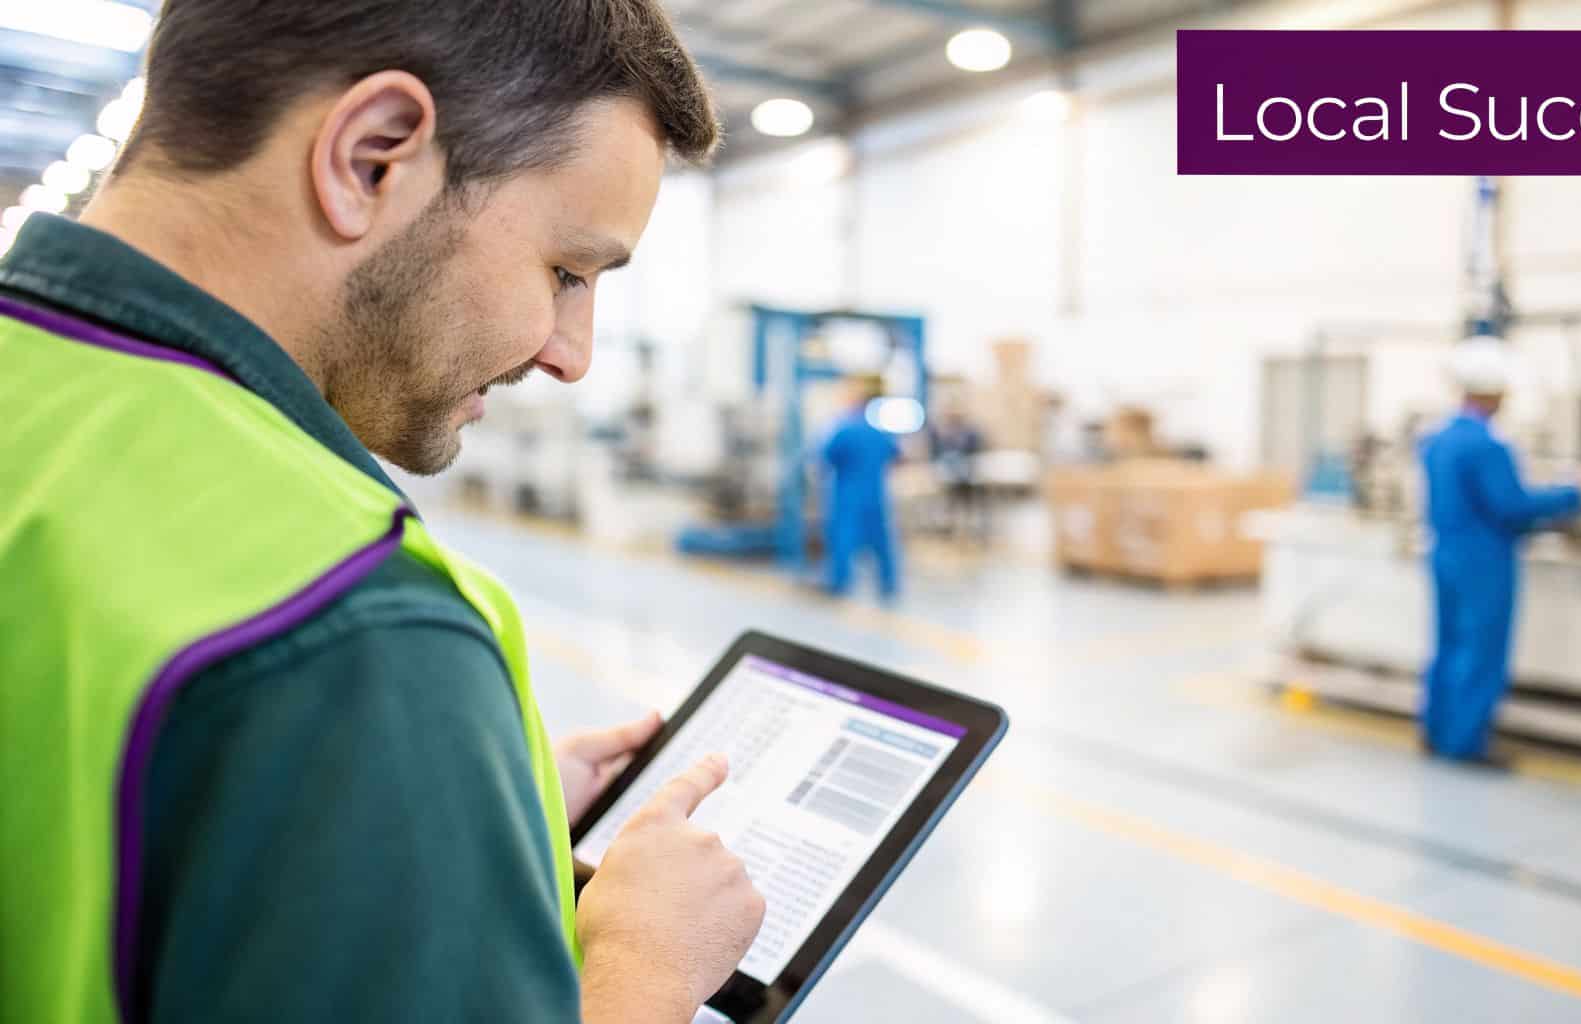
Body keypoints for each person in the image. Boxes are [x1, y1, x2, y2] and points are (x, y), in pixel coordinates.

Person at [0, 4, 766, 1023]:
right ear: (373, 156)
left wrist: (449, 800)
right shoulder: (354, 627)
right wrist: (643, 972)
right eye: (566, 272)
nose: (569, 353)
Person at [1419, 337, 1581, 764]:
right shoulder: (1488, 445)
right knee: (1481, 650)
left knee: (1448, 644)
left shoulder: (1438, 440)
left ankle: (1436, 730)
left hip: (1444, 553)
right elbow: (1512, 505)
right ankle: (1465, 744)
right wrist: (1574, 493)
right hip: (1484, 559)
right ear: (1495, 391)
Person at [819, 377, 902, 599]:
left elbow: (827, 456)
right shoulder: (879, 430)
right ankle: (888, 584)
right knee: (882, 542)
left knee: (844, 540)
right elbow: (895, 454)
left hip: (848, 495)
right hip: (875, 495)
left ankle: (840, 583)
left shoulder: (844, 428)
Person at [929, 403, 987, 542]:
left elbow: (976, 449)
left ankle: (967, 528)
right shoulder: (940, 432)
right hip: (947, 475)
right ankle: (950, 526)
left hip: (967, 476)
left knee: (966, 498)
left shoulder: (971, 432)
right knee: (950, 499)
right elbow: (935, 452)